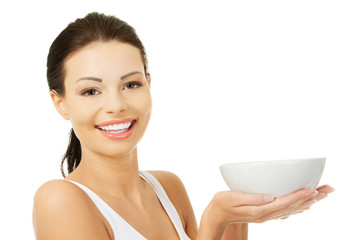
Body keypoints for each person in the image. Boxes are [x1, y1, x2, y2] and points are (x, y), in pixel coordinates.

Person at [32, 12, 334, 240]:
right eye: (91, 91)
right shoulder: (60, 200)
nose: (116, 105)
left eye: (131, 84)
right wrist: (215, 218)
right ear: (60, 103)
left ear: (148, 85)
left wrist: (238, 216)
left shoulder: (168, 188)